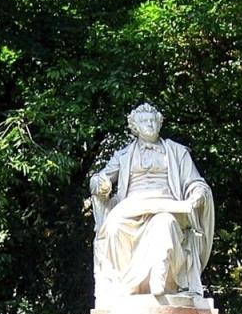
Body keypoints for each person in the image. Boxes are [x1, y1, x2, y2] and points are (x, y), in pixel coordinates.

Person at [90, 104, 214, 303]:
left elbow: (196, 181)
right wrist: (100, 184)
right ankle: (124, 286)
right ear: (135, 127)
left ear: (159, 123)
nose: (149, 124)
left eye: (152, 120)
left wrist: (197, 194)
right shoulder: (123, 155)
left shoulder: (177, 151)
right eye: (144, 121)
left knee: (165, 223)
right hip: (132, 206)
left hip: (167, 204)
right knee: (113, 227)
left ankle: (159, 273)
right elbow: (100, 178)